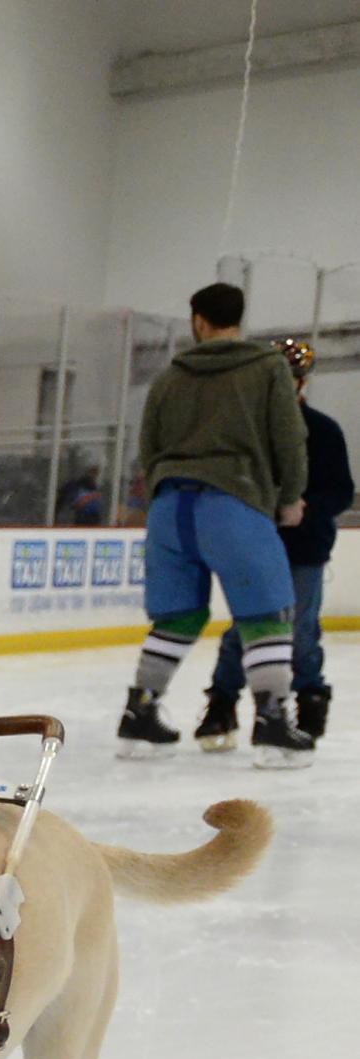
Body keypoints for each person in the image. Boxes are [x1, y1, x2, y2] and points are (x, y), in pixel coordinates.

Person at [116, 280, 313, 766]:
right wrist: (289, 497)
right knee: (266, 612)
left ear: (199, 321)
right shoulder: (267, 369)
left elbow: (149, 445)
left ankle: (139, 713)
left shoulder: (170, 376)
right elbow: (289, 438)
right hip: (235, 501)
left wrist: (165, 483)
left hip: (170, 509)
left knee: (178, 615)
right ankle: (271, 722)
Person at [196, 337, 352, 750]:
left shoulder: (322, 431)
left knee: (299, 628)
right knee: (245, 627)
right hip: (251, 544)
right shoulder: (246, 434)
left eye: (292, 379)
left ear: (301, 384)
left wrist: (305, 507)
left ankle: (309, 701)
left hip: (304, 548)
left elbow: (341, 491)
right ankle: (222, 705)